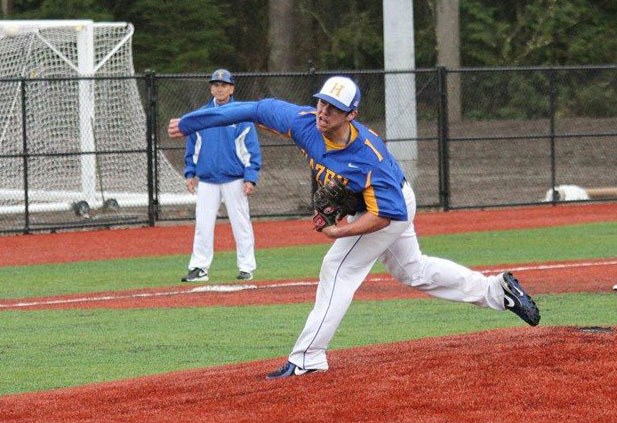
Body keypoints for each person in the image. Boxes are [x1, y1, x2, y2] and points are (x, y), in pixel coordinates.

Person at [168, 75, 541, 378]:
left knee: (338, 267)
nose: (324, 111)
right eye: (322, 102)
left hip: (388, 206)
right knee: (413, 270)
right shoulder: (305, 124)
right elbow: (252, 109)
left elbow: (386, 215)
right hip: (383, 202)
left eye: (334, 108)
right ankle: (497, 291)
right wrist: (190, 123)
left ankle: (307, 357)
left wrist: (340, 231)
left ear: (352, 114)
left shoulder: (367, 157)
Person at [180, 68, 261, 283]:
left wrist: (250, 176)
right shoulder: (201, 115)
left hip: (234, 178)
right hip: (207, 179)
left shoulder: (241, 115)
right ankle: (199, 267)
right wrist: (190, 172)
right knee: (203, 225)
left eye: (223, 85)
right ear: (211, 88)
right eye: (215, 85)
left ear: (232, 88)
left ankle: (246, 267)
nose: (219, 88)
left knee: (241, 223)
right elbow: (193, 147)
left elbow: (250, 149)